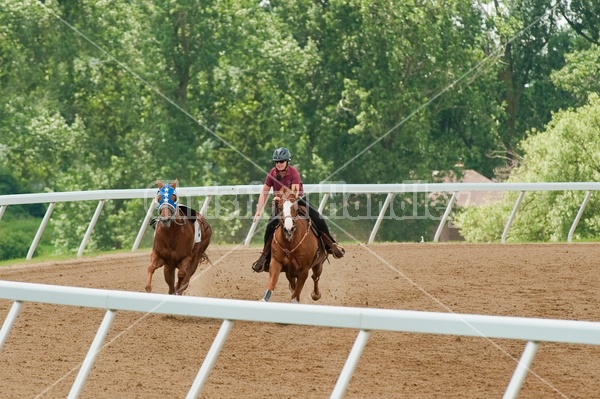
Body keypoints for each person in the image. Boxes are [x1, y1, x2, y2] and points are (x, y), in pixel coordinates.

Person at [251, 147, 345, 273]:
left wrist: (279, 197)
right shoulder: (272, 174)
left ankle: (331, 244)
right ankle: (265, 257)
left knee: (317, 217)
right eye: (277, 162)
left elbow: (293, 193)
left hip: (297, 200)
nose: (279, 164)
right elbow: (264, 192)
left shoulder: (294, 172)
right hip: (280, 205)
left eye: (281, 161)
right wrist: (259, 210)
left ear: (287, 161)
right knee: (270, 227)